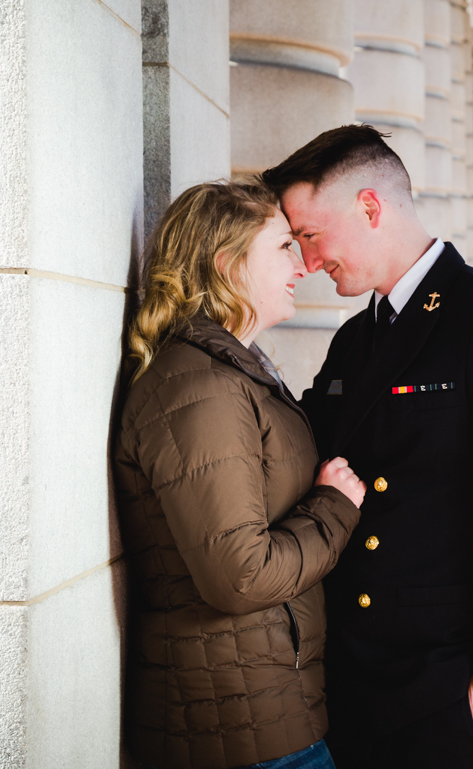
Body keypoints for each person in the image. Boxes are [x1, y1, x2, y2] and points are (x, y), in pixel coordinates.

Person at [261, 125, 473, 768]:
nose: (306, 262)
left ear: (369, 207)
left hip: (448, 686)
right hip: (352, 681)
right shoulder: (355, 342)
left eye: (308, 234)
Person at [114, 181, 368, 769]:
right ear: (228, 265)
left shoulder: (228, 372)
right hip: (242, 734)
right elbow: (242, 577)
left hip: (264, 715)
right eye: (283, 247)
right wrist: (335, 507)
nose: (305, 263)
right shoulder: (202, 388)